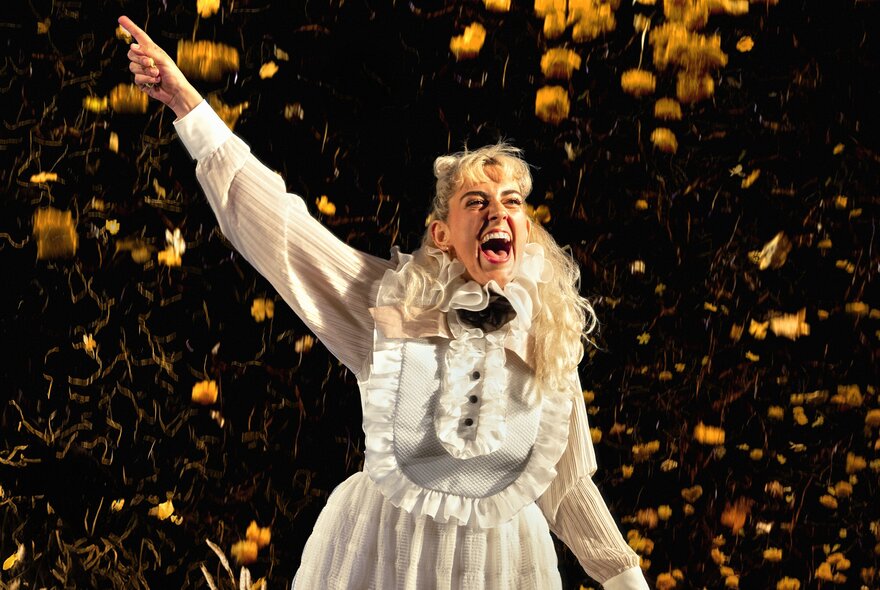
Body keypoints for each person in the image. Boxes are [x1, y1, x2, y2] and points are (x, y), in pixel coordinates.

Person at [119, 15, 650, 590]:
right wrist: (192, 110)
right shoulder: (393, 310)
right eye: (476, 201)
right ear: (442, 233)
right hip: (387, 554)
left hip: (498, 567)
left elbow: (566, 487)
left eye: (511, 200)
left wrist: (626, 582)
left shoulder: (546, 338)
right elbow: (287, 237)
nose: (498, 211)